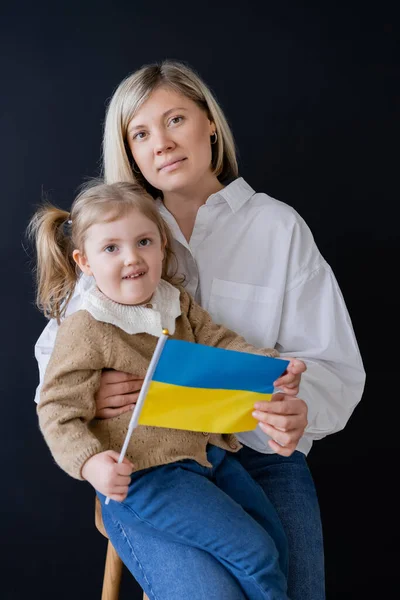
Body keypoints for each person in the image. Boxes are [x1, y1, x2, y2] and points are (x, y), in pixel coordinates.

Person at [34, 60, 366, 600]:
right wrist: (91, 394)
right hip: (150, 463)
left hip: (261, 457)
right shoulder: (117, 231)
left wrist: (299, 403)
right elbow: (55, 363)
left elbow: (335, 368)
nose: (161, 143)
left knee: (291, 586)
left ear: (209, 123)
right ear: (130, 151)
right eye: (141, 133)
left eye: (175, 120)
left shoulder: (278, 228)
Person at [30, 180, 308, 600]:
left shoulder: (173, 300)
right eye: (111, 249)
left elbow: (220, 341)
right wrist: (90, 465)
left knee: (272, 535)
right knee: (254, 553)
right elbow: (56, 409)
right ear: (84, 262)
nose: (131, 259)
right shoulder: (88, 326)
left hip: (206, 458)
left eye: (143, 242)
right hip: (145, 475)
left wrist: (268, 366)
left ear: (162, 245)